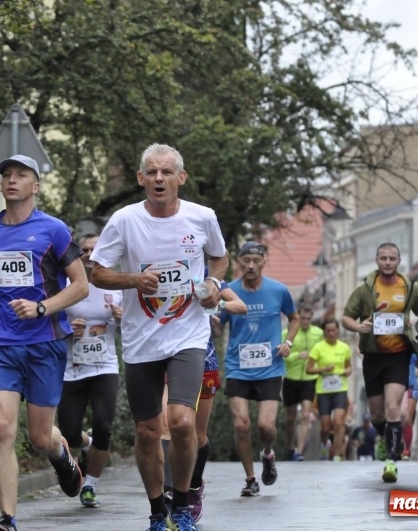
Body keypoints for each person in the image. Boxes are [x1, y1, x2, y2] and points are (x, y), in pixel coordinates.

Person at [90, 143, 228, 531]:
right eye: (151, 172)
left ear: (180, 178)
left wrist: (214, 282)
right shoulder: (125, 220)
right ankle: (156, 511)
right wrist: (134, 279)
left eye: (166, 172)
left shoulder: (202, 218)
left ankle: (182, 505)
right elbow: (97, 272)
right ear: (140, 179)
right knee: (148, 430)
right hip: (141, 338)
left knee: (182, 422)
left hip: (188, 333)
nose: (158, 178)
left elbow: (219, 257)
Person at [0, 154, 89, 531]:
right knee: (3, 427)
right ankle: (8, 518)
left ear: (35, 186)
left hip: (44, 341)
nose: (12, 180)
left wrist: (41, 307)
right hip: (0, 342)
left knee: (39, 436)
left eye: (21, 175)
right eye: (6, 175)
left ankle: (62, 453)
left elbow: (80, 286)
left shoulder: (53, 230)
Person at [213, 241, 299, 497]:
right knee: (241, 425)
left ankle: (268, 454)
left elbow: (294, 318)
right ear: (238, 263)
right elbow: (218, 330)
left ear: (263, 262)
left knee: (265, 427)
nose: (251, 266)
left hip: (270, 367)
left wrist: (288, 342)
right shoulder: (229, 291)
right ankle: (250, 479)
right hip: (237, 366)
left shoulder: (278, 290)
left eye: (256, 261)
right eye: (246, 261)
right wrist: (214, 323)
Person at [342, 242, 418, 483]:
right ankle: (385, 437)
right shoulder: (365, 289)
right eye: (383, 258)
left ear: (399, 261)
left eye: (392, 258)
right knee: (377, 414)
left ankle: (392, 458)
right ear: (377, 261)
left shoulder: (411, 288)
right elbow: (346, 317)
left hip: (399, 355)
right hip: (373, 355)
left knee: (393, 408)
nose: (388, 262)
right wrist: (360, 327)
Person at [162, 275, 246, 522]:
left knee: (197, 433)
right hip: (163, 353)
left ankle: (194, 488)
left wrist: (214, 302)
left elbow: (240, 306)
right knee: (167, 426)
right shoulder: (160, 267)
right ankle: (170, 493)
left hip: (201, 357)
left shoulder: (208, 278)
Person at [58, 233, 123, 509]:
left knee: (104, 427)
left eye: (94, 250)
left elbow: (134, 327)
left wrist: (122, 320)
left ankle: (90, 486)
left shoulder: (116, 285)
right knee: (69, 433)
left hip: (105, 367)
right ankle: (87, 444)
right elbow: (49, 324)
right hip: (71, 370)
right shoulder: (65, 286)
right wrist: (66, 330)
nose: (87, 255)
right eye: (83, 250)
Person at [305, 318, 352, 461]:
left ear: (338, 331)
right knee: (325, 427)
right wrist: (324, 369)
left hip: (340, 388)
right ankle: (325, 444)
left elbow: (349, 367)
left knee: (339, 422)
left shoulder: (344, 347)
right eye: (328, 331)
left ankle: (338, 454)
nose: (331, 333)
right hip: (323, 390)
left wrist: (347, 371)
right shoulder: (318, 348)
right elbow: (309, 369)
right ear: (324, 332)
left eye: (334, 330)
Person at [282, 306, 323, 461]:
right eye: (303, 318)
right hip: (291, 378)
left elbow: (322, 352)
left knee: (306, 415)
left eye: (308, 319)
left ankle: (299, 452)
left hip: (309, 379)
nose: (305, 321)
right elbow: (282, 355)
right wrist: (298, 355)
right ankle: (290, 448)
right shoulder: (287, 334)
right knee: (291, 417)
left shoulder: (318, 334)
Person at [400, 352, 418, 460]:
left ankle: (407, 449)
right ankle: (397, 444)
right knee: (397, 417)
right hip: (397, 385)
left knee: (407, 417)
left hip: (411, 386)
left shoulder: (414, 348)